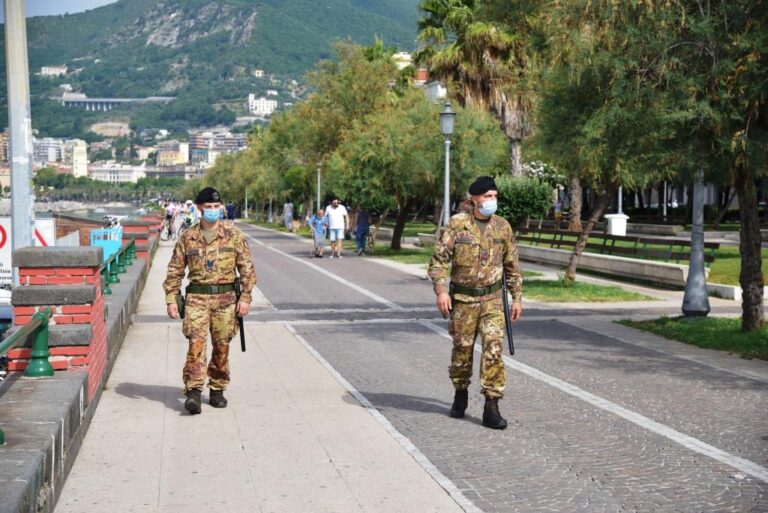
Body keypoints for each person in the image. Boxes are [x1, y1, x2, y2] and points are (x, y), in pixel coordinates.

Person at [427, 176, 523, 430]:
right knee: (462, 351)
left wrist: (516, 298)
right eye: (487, 196)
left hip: (492, 301)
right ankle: (460, 392)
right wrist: (441, 292)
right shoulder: (457, 225)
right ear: (474, 199)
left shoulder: (503, 227)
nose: (492, 200)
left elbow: (512, 266)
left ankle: (491, 406)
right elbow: (438, 261)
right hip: (463, 301)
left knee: (493, 349)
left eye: (495, 195)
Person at [163, 187, 256, 415]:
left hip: (226, 300)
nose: (213, 210)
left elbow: (247, 269)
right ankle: (194, 390)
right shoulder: (188, 237)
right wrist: (171, 299)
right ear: (199, 208)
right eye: (208, 207)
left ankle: (217, 387)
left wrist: (245, 297)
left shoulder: (234, 235)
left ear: (221, 207)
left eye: (216, 207)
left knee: (221, 345)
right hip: (197, 298)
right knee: (196, 344)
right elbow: (175, 270)